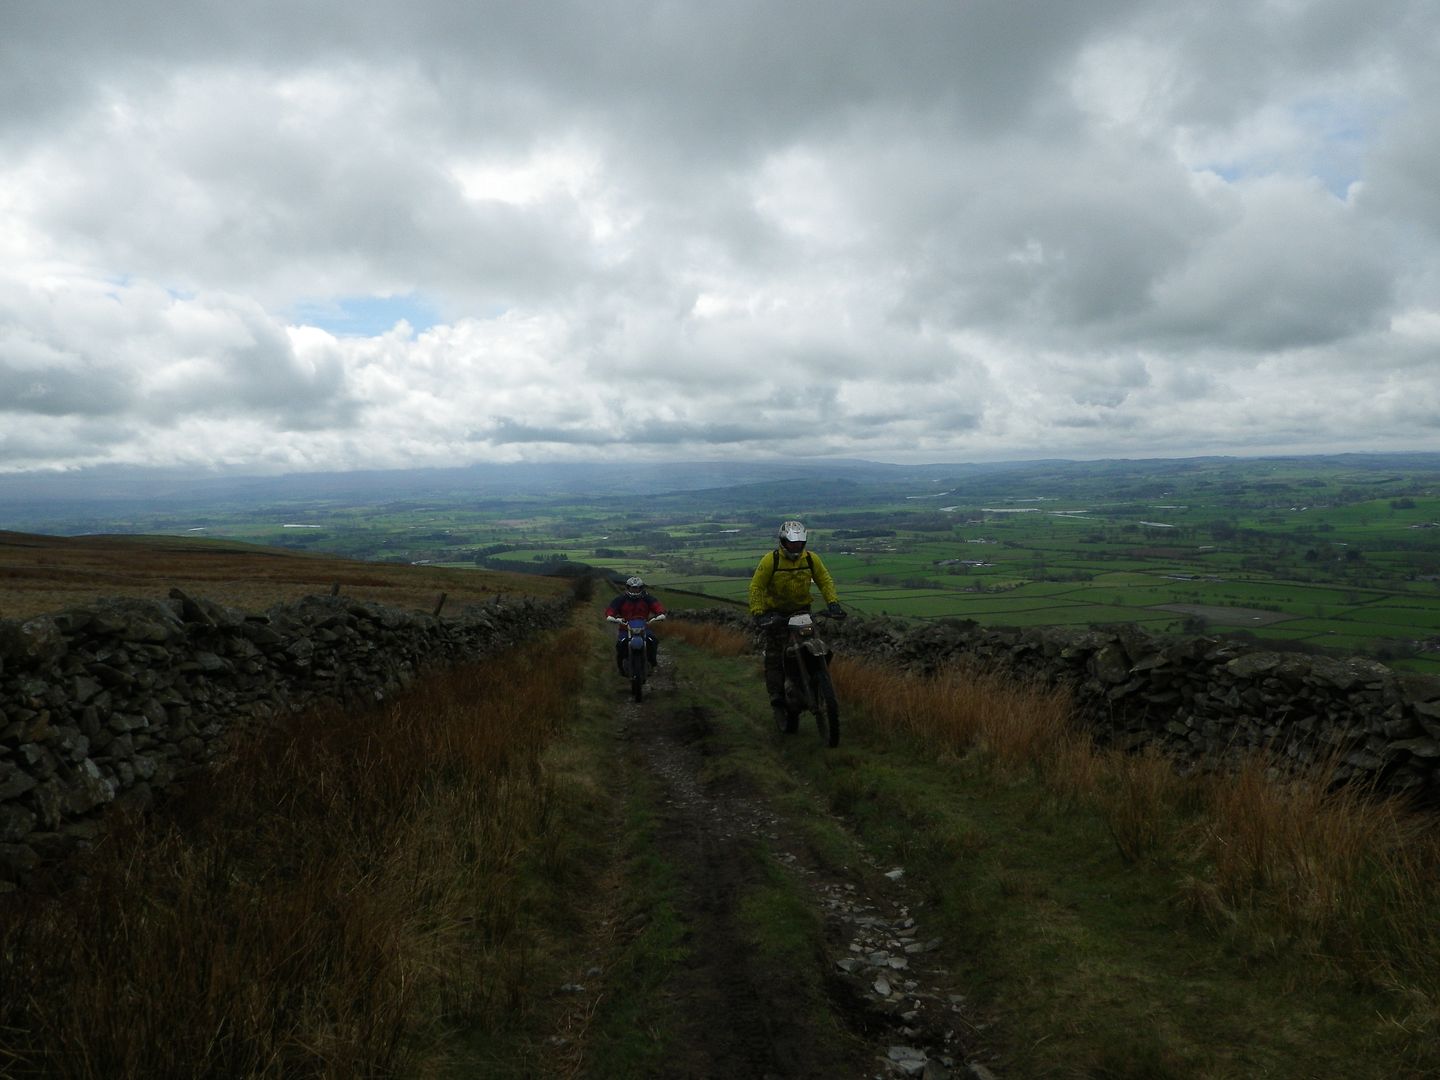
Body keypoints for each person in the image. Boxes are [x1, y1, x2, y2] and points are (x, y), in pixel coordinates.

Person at [747, 520, 845, 727]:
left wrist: (833, 603)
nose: (796, 547)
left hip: (802, 612)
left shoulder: (810, 559)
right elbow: (756, 587)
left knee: (817, 646)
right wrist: (759, 613)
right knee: (775, 655)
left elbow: (824, 580)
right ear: (783, 542)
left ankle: (816, 681)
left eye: (799, 543)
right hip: (776, 616)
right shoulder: (770, 561)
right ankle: (777, 697)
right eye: (792, 543)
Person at [604, 575, 666, 675]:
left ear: (641, 588)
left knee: (653, 641)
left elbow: (657, 606)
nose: (635, 590)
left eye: (637, 588)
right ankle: (621, 667)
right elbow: (611, 610)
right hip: (625, 629)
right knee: (620, 645)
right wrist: (612, 617)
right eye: (632, 587)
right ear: (628, 588)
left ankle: (651, 663)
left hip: (643, 628)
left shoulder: (647, 598)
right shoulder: (621, 599)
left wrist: (660, 614)